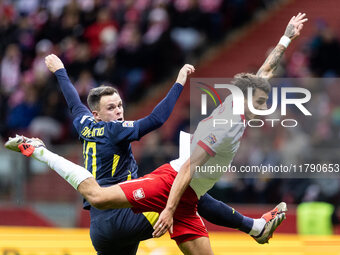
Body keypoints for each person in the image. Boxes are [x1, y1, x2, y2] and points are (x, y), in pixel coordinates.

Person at [5, 12, 307, 255]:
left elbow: (264, 73)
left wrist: (285, 37)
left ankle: (255, 228)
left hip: (122, 221)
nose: (121, 111)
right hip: (152, 196)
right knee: (99, 195)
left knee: (193, 200)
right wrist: (178, 82)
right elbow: (175, 151)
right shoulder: (221, 124)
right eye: (113, 106)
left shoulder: (86, 121)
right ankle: (40, 151)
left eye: (121, 104)